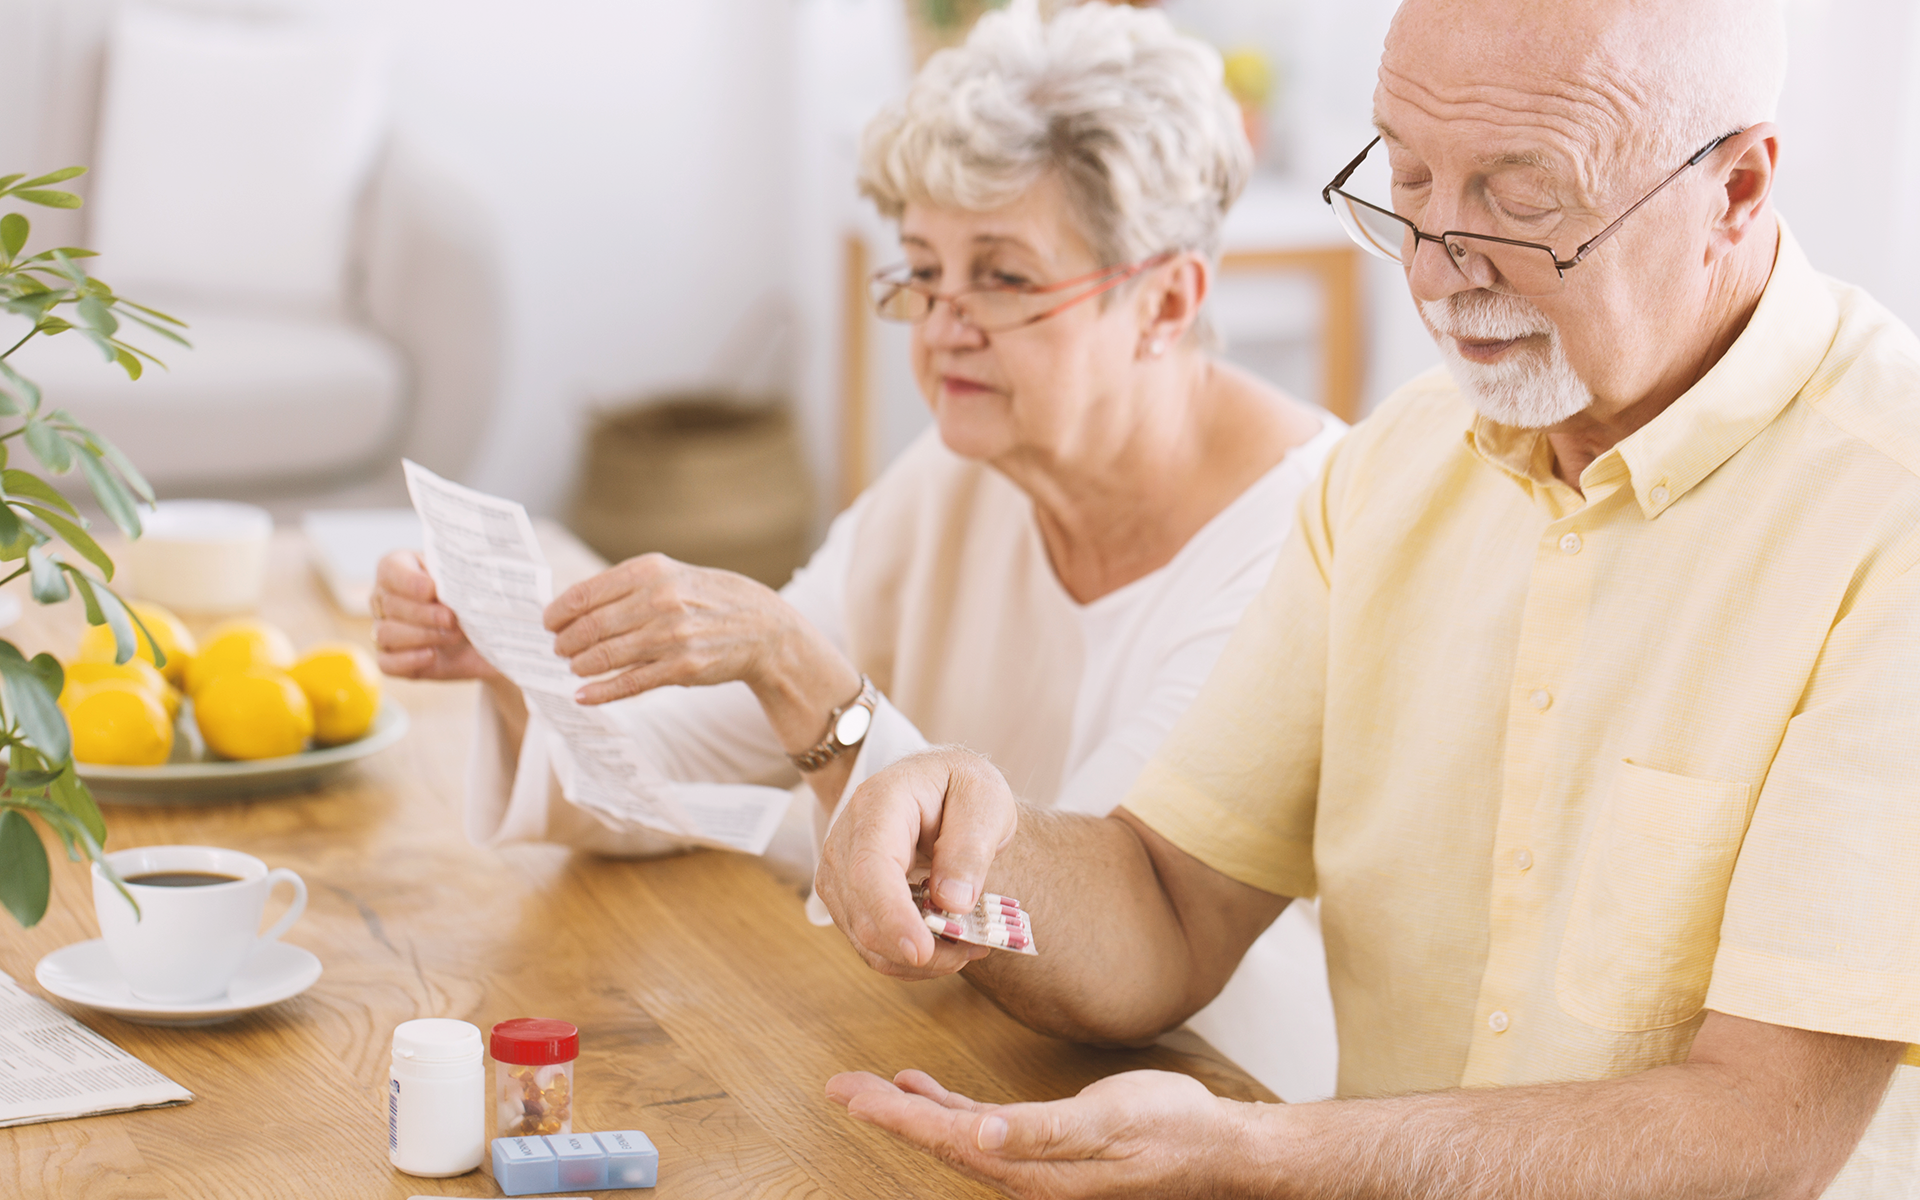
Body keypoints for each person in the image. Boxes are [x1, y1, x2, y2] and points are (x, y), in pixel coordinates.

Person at [814, 0, 1920, 1195]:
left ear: (1740, 187)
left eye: (1521, 197)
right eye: (1408, 179)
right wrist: (971, 830)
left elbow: (1755, 1135)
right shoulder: (1394, 469)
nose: (1438, 268)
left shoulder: (1888, 515)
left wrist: (1260, 1155)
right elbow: (1170, 905)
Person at [370, 1, 1342, 1099]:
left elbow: (1117, 962)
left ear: (1165, 299)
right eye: (923, 269)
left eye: (1005, 276)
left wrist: (802, 674)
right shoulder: (961, 470)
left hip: (1200, 1099)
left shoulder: (1301, 531)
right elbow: (675, 777)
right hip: (961, 1061)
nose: (941, 325)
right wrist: (519, 659)